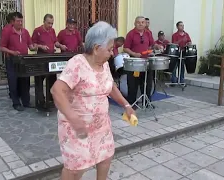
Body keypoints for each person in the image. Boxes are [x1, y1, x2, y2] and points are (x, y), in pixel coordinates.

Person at [51, 21, 135, 180]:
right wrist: (74, 118)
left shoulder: (104, 65)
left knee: (105, 157)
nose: (112, 53)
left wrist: (126, 105)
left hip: (101, 126)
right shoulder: (77, 63)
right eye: (110, 49)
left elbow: (110, 87)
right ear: (96, 48)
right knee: (75, 169)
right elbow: (57, 90)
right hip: (77, 129)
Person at [0, 12, 37, 111]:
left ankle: (26, 102)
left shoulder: (25, 32)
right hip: (12, 60)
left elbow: (31, 46)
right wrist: (12, 52)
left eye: (21, 21)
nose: (20, 23)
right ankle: (16, 103)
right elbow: (2, 47)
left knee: (25, 81)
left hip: (24, 60)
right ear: (12, 21)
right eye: (18, 21)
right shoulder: (7, 31)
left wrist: (36, 47)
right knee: (13, 81)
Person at [124, 16, 160, 108]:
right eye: (138, 22)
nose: (140, 24)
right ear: (135, 23)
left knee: (147, 84)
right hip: (134, 63)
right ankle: (132, 104)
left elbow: (152, 44)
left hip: (146, 63)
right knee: (133, 84)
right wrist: (134, 54)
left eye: (142, 22)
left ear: (145, 23)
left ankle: (147, 102)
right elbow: (125, 48)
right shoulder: (130, 34)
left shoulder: (148, 33)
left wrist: (157, 46)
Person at [31, 14, 66, 106]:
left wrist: (61, 45)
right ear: (44, 21)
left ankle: (51, 99)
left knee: (52, 78)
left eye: (52, 23)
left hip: (51, 57)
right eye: (48, 23)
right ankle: (40, 100)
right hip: (41, 58)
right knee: (39, 79)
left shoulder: (52, 31)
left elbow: (55, 42)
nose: (50, 25)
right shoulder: (37, 31)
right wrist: (41, 46)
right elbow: (32, 45)